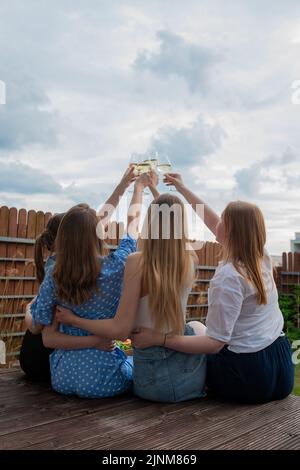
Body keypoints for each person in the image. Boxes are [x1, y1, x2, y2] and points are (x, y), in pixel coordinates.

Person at [131, 173, 295, 404]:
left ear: (230, 231)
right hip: (281, 367)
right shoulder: (260, 256)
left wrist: (159, 338)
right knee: (198, 327)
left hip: (247, 378)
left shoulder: (229, 276)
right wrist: (182, 188)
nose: (217, 223)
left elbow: (214, 344)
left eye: (223, 221)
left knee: (195, 330)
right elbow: (212, 221)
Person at [56, 191, 207, 403]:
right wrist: (164, 200)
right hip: (190, 382)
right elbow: (172, 229)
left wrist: (74, 319)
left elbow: (120, 330)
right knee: (197, 327)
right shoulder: (191, 258)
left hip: (151, 384)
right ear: (182, 225)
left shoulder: (137, 262)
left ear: (150, 222)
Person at [30, 171, 150, 398]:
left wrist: (123, 185)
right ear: (99, 234)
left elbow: (42, 331)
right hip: (105, 379)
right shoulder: (118, 265)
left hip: (63, 377)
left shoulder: (53, 274)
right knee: (134, 360)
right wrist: (138, 190)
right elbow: (133, 228)